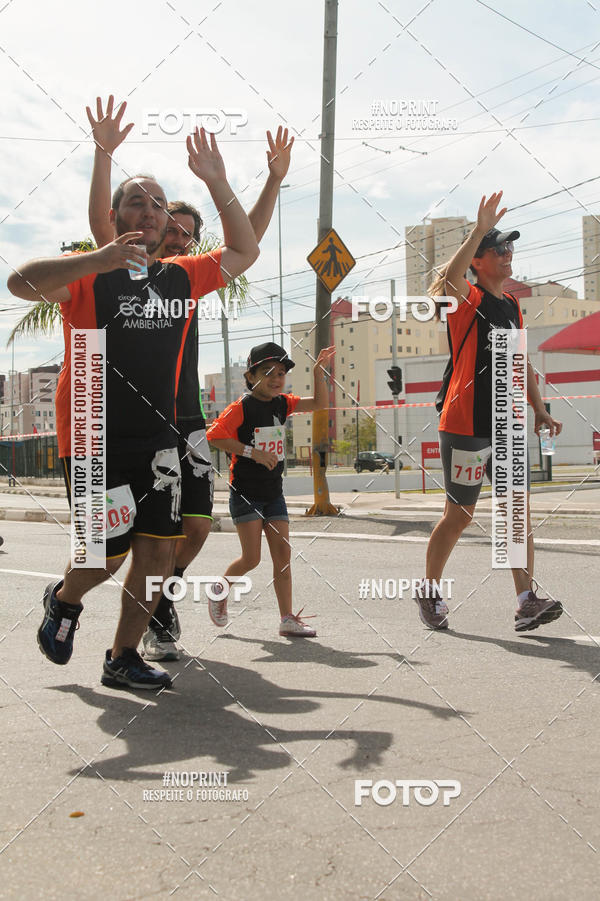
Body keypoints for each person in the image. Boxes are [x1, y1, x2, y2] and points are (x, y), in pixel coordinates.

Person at [7, 124, 259, 689]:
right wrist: (94, 256)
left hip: (158, 439)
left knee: (155, 555)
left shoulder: (181, 277)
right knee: (106, 556)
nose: (148, 211)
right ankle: (64, 599)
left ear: (169, 223)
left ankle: (122, 657)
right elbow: (19, 282)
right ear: (117, 219)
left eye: (158, 204)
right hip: (95, 438)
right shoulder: (91, 275)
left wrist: (218, 182)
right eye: (135, 202)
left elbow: (244, 250)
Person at [86, 96, 295, 660]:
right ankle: (127, 607)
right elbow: (103, 230)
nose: (175, 240)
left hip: (188, 419)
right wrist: (103, 155)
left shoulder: (187, 278)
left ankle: (160, 597)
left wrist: (270, 181)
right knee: (125, 542)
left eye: (186, 235)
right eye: (165, 227)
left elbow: (244, 241)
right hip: (133, 422)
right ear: (147, 229)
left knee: (196, 530)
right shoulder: (127, 269)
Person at [420, 191, 563, 632]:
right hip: (465, 425)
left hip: (506, 424)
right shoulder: (468, 301)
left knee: (515, 511)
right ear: (478, 262)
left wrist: (538, 409)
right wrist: (478, 229)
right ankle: (429, 591)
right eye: (499, 249)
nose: (508, 254)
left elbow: (520, 361)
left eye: (509, 247)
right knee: (459, 515)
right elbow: (447, 281)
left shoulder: (512, 305)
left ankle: (526, 601)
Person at [206, 342, 335, 636]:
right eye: (267, 373)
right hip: (246, 494)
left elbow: (318, 404)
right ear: (250, 377)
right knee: (252, 559)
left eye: (280, 373)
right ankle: (219, 590)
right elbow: (214, 436)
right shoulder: (241, 407)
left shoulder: (282, 403)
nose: (276, 379)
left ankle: (287, 619)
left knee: (283, 559)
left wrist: (319, 373)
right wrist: (253, 452)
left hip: (274, 494)